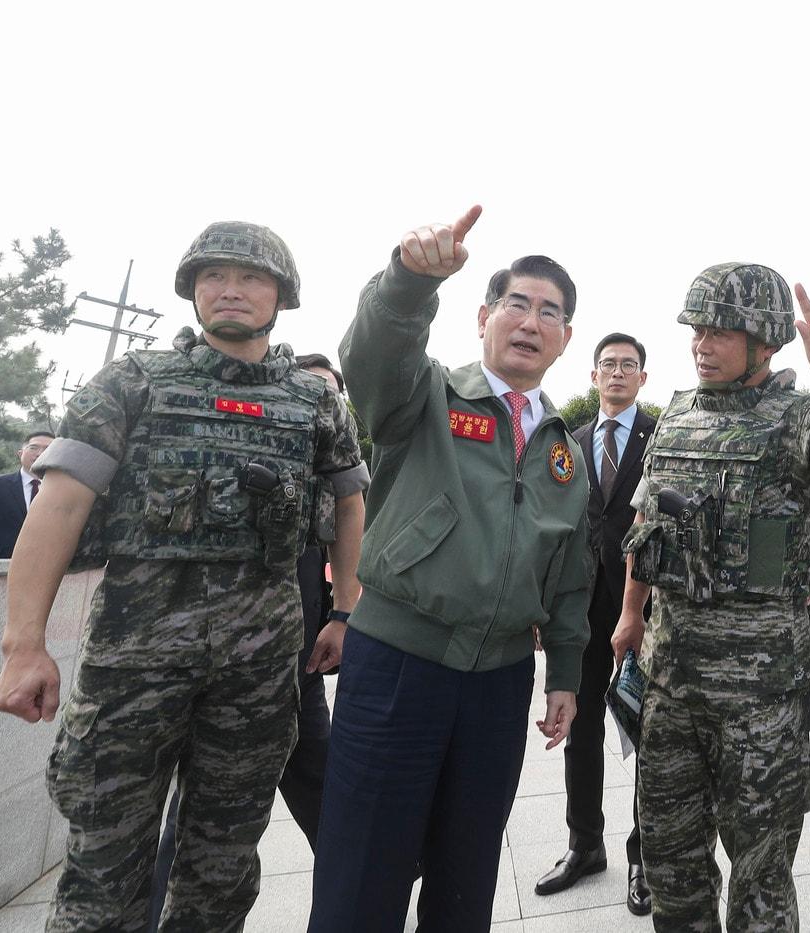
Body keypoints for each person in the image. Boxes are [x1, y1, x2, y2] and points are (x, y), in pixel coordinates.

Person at [0, 221, 367, 931]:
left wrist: (347, 610)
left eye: (251, 277)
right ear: (192, 289)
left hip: (256, 677)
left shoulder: (314, 401)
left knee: (222, 868)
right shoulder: (130, 384)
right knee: (103, 871)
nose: (231, 288)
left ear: (280, 295)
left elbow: (350, 503)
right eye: (213, 275)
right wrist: (23, 644)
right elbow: (60, 505)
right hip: (132, 670)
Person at [309, 205, 592, 932]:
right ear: (483, 317)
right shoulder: (425, 394)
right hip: (400, 662)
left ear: (565, 338)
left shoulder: (565, 450)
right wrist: (406, 285)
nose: (530, 321)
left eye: (550, 312)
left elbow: (569, 573)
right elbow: (372, 358)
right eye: (516, 303)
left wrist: (564, 671)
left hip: (499, 681)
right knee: (363, 872)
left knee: (466, 875)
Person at [615, 263, 810, 931]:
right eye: (696, 330)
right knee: (674, 874)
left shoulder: (802, 418)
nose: (702, 343)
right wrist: (628, 615)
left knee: (760, 884)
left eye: (720, 332)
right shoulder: (674, 413)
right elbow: (646, 525)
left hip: (761, 705)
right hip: (672, 687)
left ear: (764, 341)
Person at [147, 352, 363, 928]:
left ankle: (364, 884)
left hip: (299, 665)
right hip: (222, 664)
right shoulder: (248, 467)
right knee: (198, 807)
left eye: (333, 397)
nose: (324, 408)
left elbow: (344, 555)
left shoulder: (334, 489)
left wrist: (340, 618)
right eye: (313, 394)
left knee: (322, 780)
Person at [534, 332, 656, 914]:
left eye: (627, 365)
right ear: (592, 375)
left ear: (642, 378)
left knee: (646, 730)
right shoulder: (570, 444)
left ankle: (643, 855)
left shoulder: (665, 438)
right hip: (580, 607)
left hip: (647, 608)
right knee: (580, 728)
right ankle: (585, 845)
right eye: (607, 364)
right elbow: (550, 524)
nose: (616, 373)